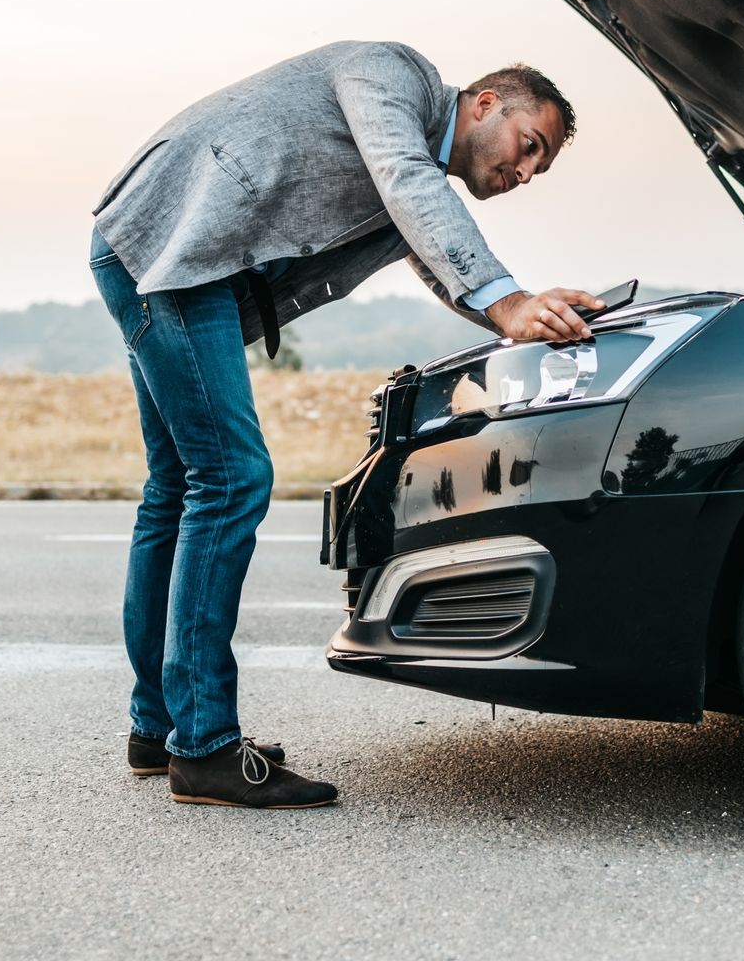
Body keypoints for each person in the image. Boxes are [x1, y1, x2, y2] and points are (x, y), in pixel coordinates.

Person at [88, 40, 604, 809]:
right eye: (530, 147)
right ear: (487, 103)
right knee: (231, 480)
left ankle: (159, 730)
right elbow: (406, 182)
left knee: (177, 490)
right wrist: (507, 299)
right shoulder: (392, 75)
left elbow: (431, 248)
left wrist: (524, 315)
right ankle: (203, 749)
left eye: (540, 169)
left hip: (164, 256)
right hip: (173, 250)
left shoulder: (421, 172)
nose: (525, 174)